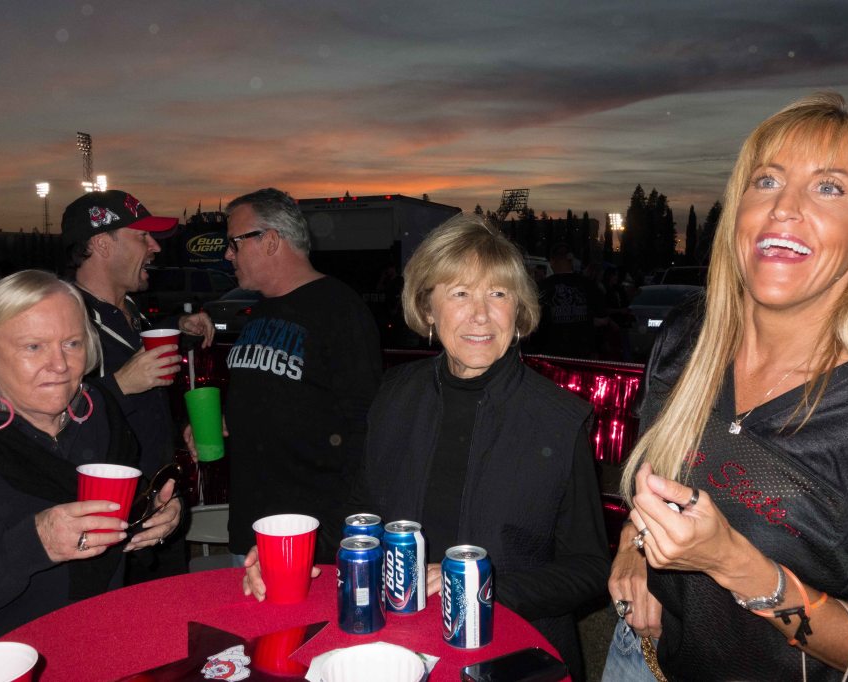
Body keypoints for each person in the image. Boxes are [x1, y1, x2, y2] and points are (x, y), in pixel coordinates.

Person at [603, 92, 848, 681]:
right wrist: (630, 546)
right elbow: (653, 487)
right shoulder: (686, 339)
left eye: (829, 187)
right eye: (767, 180)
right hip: (640, 663)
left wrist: (737, 566)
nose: (784, 208)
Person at [243, 214, 609, 678]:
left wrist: (485, 586)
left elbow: (589, 567)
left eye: (498, 293)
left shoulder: (559, 419)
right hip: (395, 644)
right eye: (459, 293)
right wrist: (296, 556)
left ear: (518, 311)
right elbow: (360, 511)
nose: (481, 314)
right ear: (428, 309)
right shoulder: (395, 394)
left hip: (510, 650)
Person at [0, 270, 181, 677]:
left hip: (93, 645)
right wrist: (34, 543)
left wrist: (150, 517)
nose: (60, 365)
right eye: (33, 346)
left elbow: (112, 518)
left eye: (72, 343)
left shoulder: (99, 413)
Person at [211, 188, 381, 564]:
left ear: (270, 240)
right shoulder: (261, 311)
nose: (228, 254)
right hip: (252, 524)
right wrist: (225, 421)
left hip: (309, 532)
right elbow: (276, 393)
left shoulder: (339, 309)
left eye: (235, 243)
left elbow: (365, 425)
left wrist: (339, 532)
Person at [63, 189, 214, 479]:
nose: (155, 246)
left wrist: (179, 325)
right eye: (142, 236)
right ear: (103, 244)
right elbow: (50, 422)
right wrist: (120, 385)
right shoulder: (65, 322)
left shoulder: (132, 311)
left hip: (154, 494)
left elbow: (145, 397)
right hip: (108, 502)